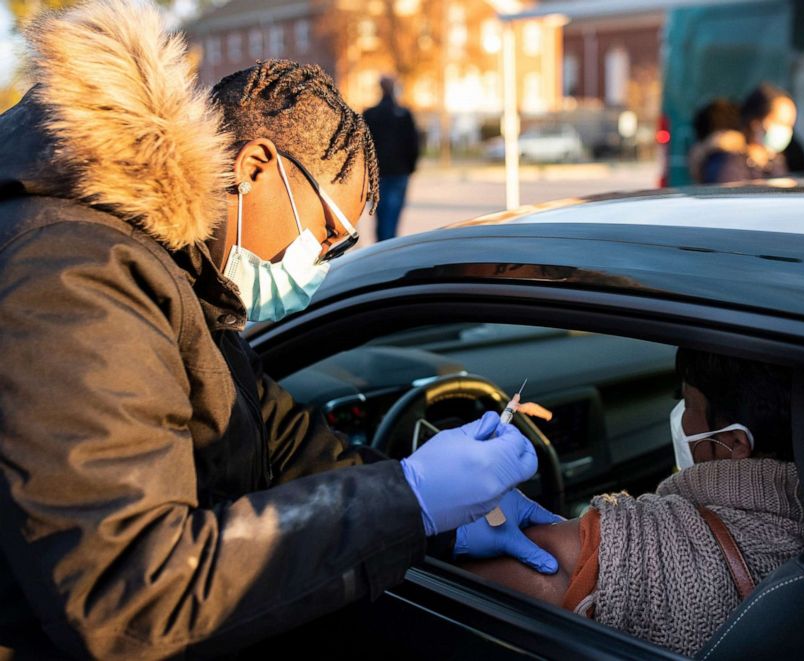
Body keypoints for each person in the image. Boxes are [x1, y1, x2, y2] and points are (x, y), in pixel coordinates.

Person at [0, 2, 555, 658]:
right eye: (324, 239)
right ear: (256, 166)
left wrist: (443, 517)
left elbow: (278, 443)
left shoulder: (175, 272)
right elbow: (132, 595)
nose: (316, 269)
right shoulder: (74, 275)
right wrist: (412, 499)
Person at [462, 348, 804, 656]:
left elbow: (467, 595)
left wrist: (436, 515)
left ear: (735, 443)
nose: (679, 418)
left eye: (687, 403)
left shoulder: (633, 545)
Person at [701, 83, 797, 184]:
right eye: (780, 122)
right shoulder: (730, 163)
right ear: (755, 123)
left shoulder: (775, 161)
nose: (786, 130)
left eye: (790, 125)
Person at [362, 75, 420, 242]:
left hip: (378, 173)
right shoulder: (403, 114)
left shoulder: (370, 114)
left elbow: (363, 146)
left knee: (381, 218)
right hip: (399, 172)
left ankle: (381, 248)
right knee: (393, 218)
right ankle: (388, 248)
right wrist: (410, 168)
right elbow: (413, 144)